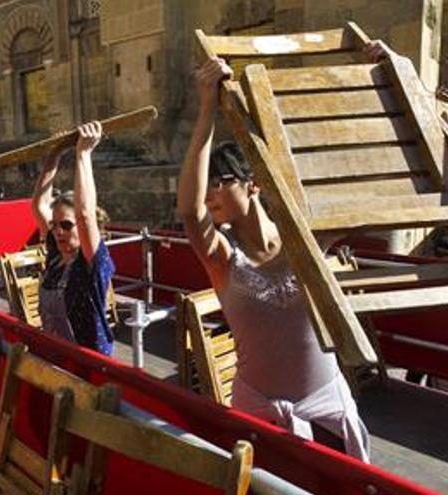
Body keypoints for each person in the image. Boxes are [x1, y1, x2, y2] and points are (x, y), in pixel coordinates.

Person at [172, 44, 397, 463]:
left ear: (252, 184)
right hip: (258, 419)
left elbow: (371, 179)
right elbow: (189, 210)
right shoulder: (222, 256)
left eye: (221, 180)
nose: (210, 192)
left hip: (327, 413)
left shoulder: (307, 236)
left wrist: (377, 82)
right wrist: (206, 109)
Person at [31, 122, 115, 356]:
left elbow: (84, 214)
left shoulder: (92, 263)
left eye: (66, 226)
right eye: (55, 225)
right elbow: (39, 205)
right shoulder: (57, 256)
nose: (58, 231)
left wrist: (83, 153)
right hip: (56, 354)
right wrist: (54, 154)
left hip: (89, 363)